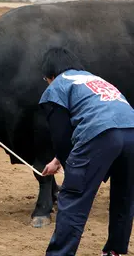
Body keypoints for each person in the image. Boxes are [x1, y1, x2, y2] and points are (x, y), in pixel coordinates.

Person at [39, 47, 134, 256]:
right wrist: (57, 161)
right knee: (125, 196)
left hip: (101, 134)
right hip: (131, 131)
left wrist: (71, 168)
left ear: (50, 75)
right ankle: (115, 251)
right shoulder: (94, 80)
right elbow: (97, 114)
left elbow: (62, 137)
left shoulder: (56, 87)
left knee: (73, 197)